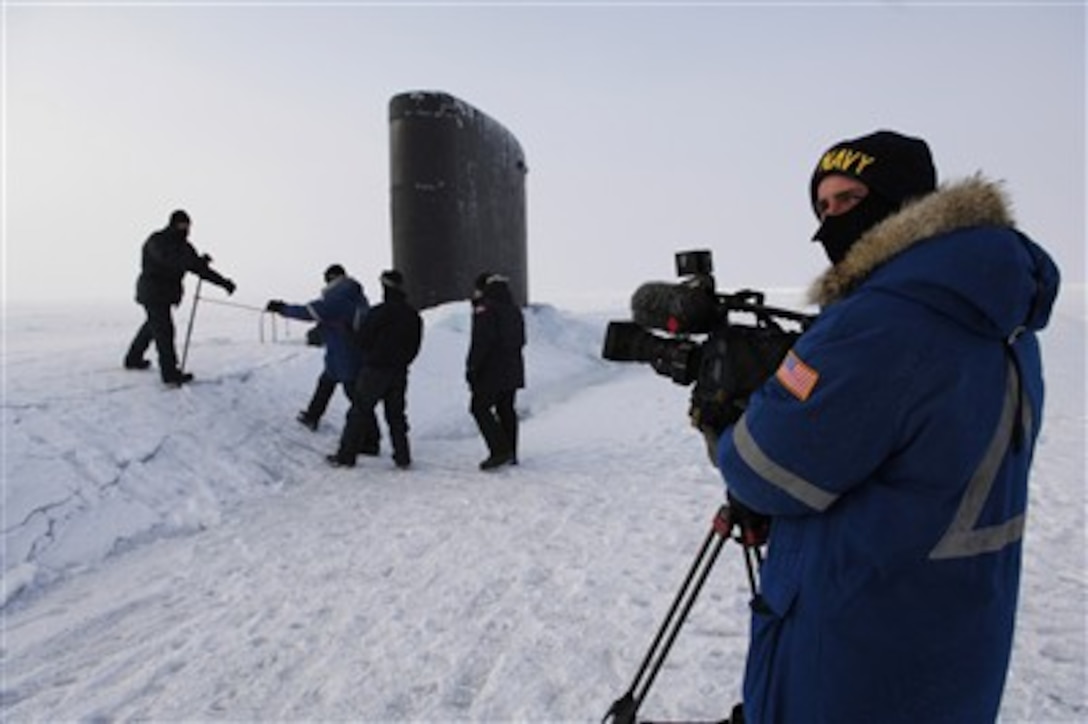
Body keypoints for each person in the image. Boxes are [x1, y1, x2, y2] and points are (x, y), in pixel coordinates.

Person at [702, 130, 1060, 723]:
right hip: (956, 642)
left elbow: (761, 471)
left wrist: (733, 413)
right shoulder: (1003, 319)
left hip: (853, 653)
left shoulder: (882, 321)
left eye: (850, 199)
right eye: (823, 206)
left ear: (905, 201)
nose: (831, 222)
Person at [265, 265, 378, 448]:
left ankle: (371, 441)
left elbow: (310, 312)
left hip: (346, 356)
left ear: (332, 277)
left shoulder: (338, 298)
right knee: (326, 383)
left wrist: (282, 308)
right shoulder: (354, 295)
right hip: (342, 354)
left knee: (358, 400)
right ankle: (312, 415)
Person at [124, 209, 236, 386]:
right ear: (172, 224)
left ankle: (133, 358)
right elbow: (169, 260)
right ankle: (170, 374)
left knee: (154, 325)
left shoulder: (185, 246)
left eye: (187, 225)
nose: (184, 228)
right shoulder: (157, 240)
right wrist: (195, 262)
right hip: (152, 291)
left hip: (165, 294)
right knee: (164, 330)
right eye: (181, 225)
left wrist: (224, 283)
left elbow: (200, 269)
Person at [328, 270, 422, 470]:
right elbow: (415, 346)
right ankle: (403, 457)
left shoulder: (379, 312)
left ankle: (346, 456)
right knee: (396, 415)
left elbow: (363, 340)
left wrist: (349, 333)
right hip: (399, 371)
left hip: (375, 370)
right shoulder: (412, 315)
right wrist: (402, 362)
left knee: (359, 411)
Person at [466, 272, 526, 470]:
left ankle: (499, 450)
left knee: (479, 408)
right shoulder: (513, 309)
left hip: (491, 369)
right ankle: (511, 452)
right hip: (513, 367)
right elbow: (521, 339)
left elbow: (481, 341)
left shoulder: (486, 308)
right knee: (506, 409)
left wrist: (472, 367)